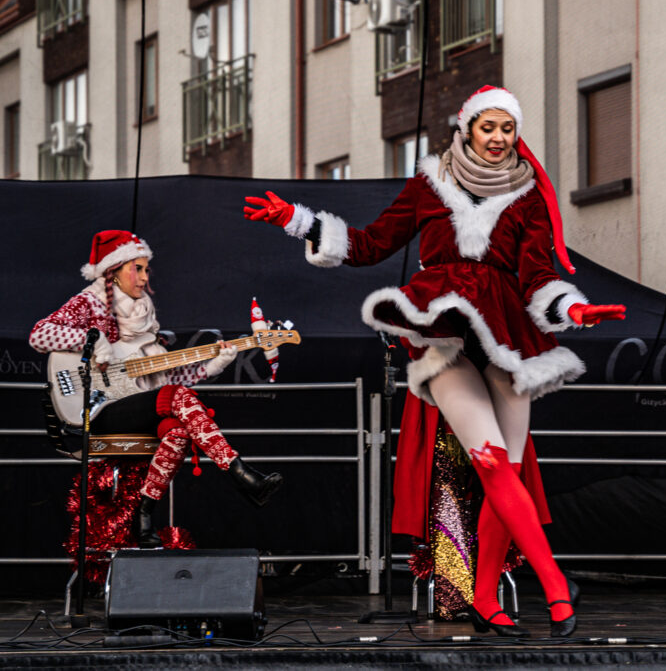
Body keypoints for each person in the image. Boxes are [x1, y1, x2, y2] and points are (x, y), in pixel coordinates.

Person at [244, 85, 625, 637]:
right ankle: (556, 588)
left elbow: (539, 275)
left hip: (504, 330)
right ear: (466, 128)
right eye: (488, 127)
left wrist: (576, 309)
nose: (498, 138)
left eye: (507, 129)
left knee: (509, 474)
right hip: (441, 329)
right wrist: (297, 221)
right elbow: (373, 243)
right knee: (492, 463)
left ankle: (485, 597)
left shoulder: (530, 195)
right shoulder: (430, 181)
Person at [30, 230, 283, 548]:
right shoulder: (89, 303)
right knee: (177, 399)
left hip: (134, 403)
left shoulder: (144, 316)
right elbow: (40, 334)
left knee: (178, 430)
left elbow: (166, 378)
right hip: (98, 407)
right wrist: (92, 340)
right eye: (137, 268)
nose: (144, 277)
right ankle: (240, 473)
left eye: (146, 269)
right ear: (114, 270)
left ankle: (144, 514)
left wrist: (215, 363)